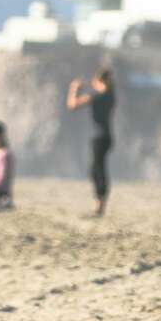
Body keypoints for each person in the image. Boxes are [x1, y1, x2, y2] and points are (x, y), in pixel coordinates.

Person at [67, 67, 116, 217]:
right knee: (97, 170)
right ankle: (100, 206)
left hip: (99, 137)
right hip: (106, 137)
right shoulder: (111, 95)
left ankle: (99, 207)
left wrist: (74, 88)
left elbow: (72, 105)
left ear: (97, 81)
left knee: (97, 171)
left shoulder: (98, 96)